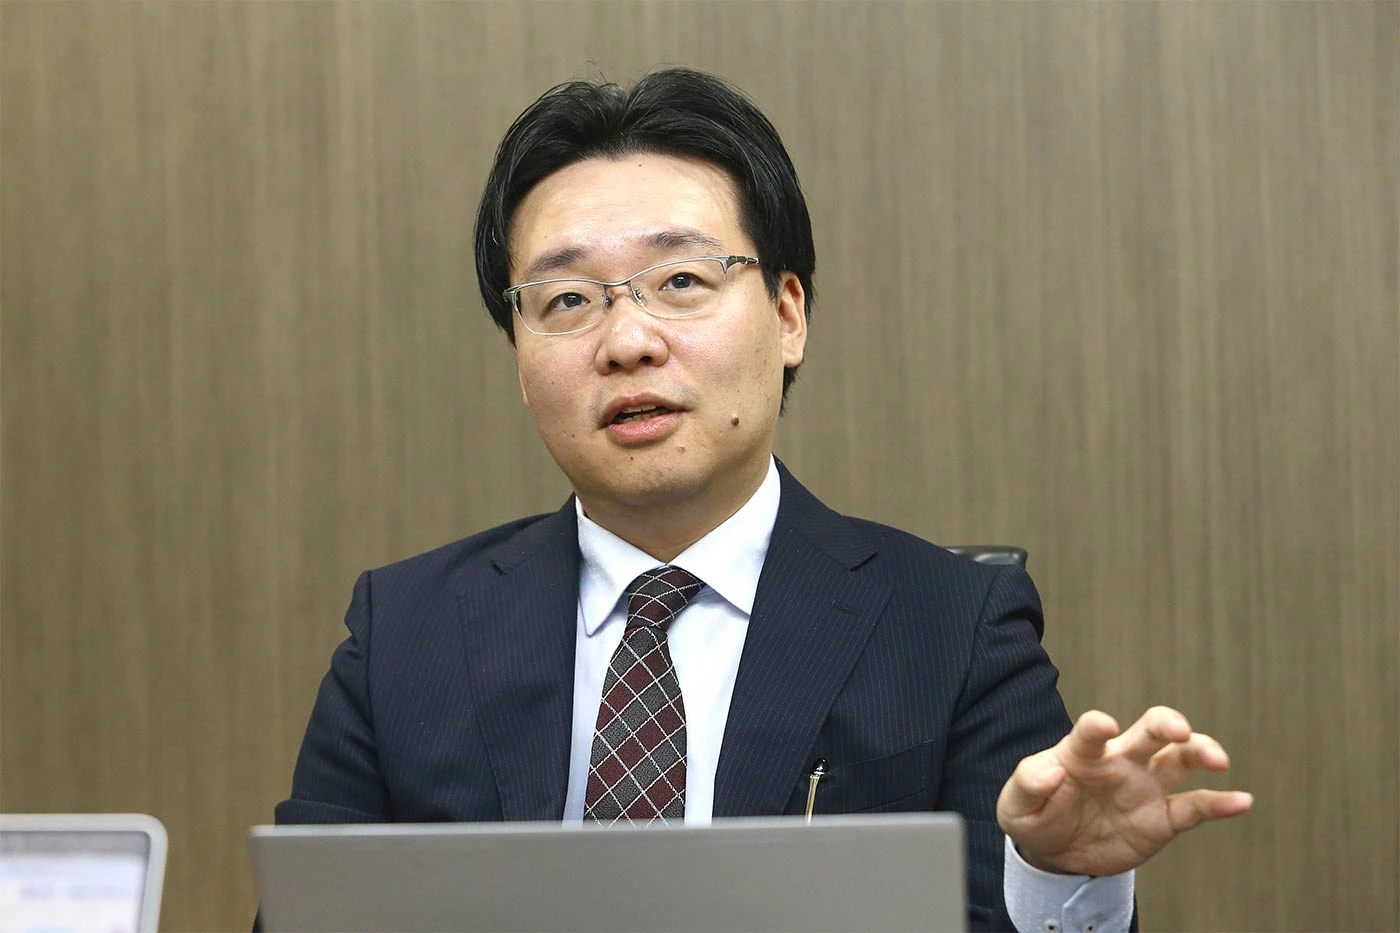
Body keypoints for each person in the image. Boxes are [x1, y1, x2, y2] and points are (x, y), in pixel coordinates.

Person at [275, 68, 1252, 932]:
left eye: (680, 279)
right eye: (567, 300)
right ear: (519, 358)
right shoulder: (404, 634)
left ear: (788, 316)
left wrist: (1057, 879)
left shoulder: (952, 629)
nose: (626, 342)